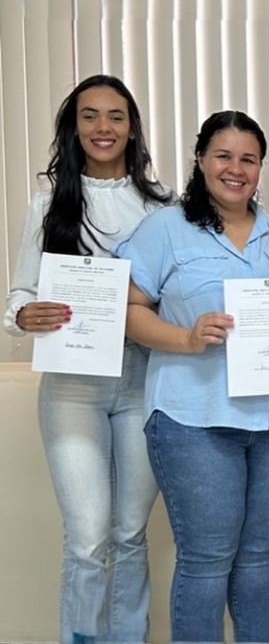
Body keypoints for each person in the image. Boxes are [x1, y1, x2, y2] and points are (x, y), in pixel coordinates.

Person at [117, 110, 269, 643]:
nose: (236, 169)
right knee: (208, 559)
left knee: (260, 558)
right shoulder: (166, 229)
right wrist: (186, 337)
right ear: (200, 160)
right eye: (223, 156)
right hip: (194, 418)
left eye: (248, 159)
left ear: (260, 168)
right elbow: (127, 309)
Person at [3, 74, 171, 644]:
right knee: (88, 534)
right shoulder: (49, 201)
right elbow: (20, 294)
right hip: (73, 385)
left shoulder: (164, 204)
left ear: (132, 127)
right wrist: (26, 316)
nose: (104, 128)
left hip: (145, 379)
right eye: (91, 116)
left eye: (116, 116)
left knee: (128, 531)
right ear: (74, 127)